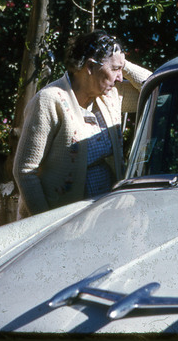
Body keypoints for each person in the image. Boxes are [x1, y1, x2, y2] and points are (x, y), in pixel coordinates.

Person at [13, 30, 151, 218]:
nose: (120, 78)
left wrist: (121, 61)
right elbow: (25, 171)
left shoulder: (109, 96)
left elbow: (154, 89)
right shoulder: (49, 100)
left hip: (106, 213)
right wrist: (45, 222)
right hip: (62, 218)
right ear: (90, 67)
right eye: (115, 70)